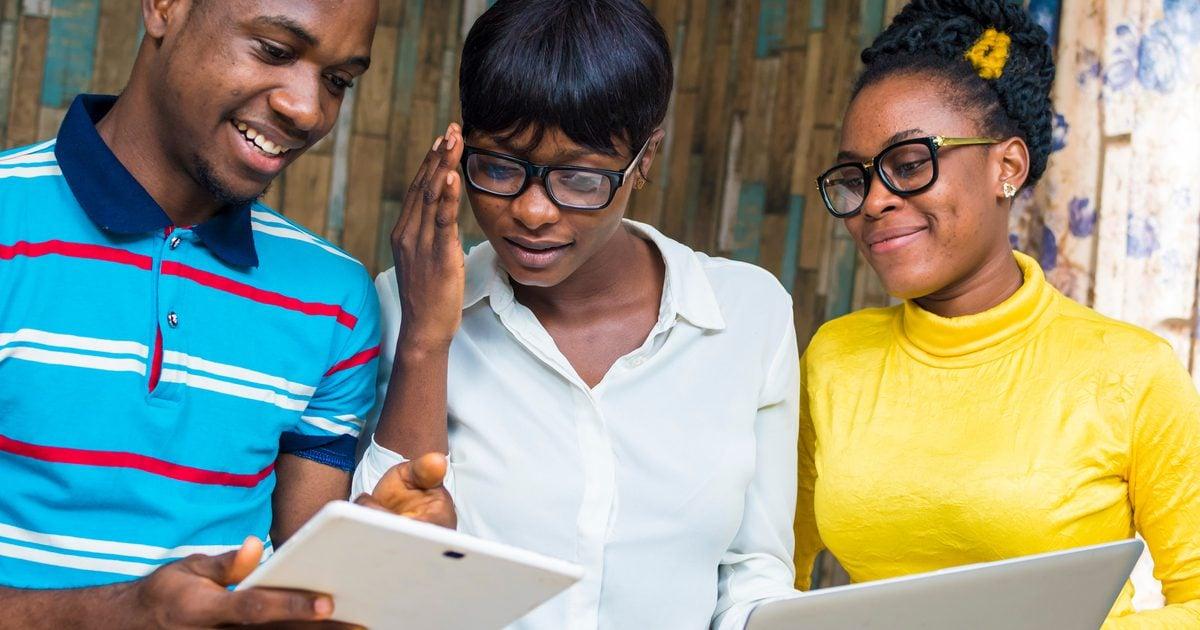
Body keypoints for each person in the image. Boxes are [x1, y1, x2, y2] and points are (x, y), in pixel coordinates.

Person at [0, 0, 452, 626]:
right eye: (274, 50)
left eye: (338, 81)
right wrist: (122, 613)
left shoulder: (336, 301)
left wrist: (372, 556)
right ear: (165, 8)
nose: (307, 109)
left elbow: (299, 582)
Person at [352, 0, 800, 627]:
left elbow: (754, 572)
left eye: (581, 179)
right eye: (499, 166)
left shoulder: (747, 316)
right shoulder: (404, 307)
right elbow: (381, 577)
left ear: (645, 159)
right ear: (458, 146)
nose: (533, 211)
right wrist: (427, 340)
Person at [796, 0, 1200, 626]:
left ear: (1005, 167)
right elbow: (769, 569)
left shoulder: (1131, 372)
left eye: (908, 166)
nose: (873, 202)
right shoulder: (835, 357)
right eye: (856, 177)